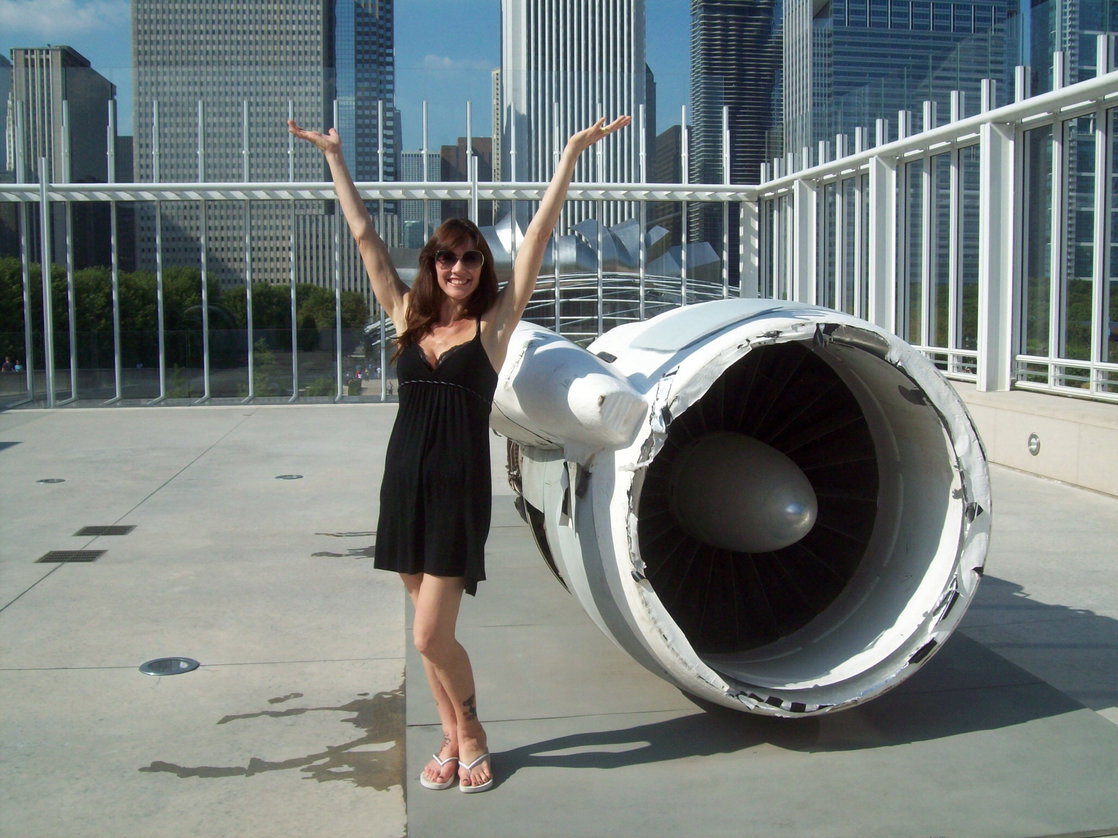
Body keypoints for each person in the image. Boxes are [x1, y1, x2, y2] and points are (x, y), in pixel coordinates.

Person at [288, 113, 631, 793]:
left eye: (471, 258)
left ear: (482, 268)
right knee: (427, 628)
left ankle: (471, 733)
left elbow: (538, 238)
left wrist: (570, 153)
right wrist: (334, 158)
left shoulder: (493, 328)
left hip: (457, 490)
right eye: (447, 257)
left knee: (429, 635)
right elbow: (365, 237)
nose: (458, 268)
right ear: (432, 265)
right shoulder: (406, 319)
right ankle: (449, 737)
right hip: (403, 486)